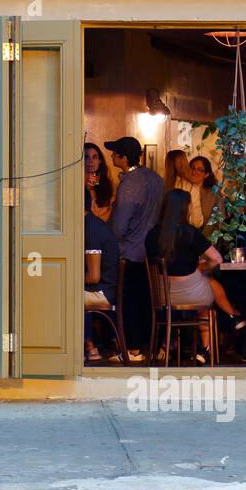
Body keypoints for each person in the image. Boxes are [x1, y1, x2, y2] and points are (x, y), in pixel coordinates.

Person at [145, 189, 246, 364]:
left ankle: (228, 322)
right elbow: (217, 259)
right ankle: (222, 329)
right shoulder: (190, 233)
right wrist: (202, 267)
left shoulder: (152, 234)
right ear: (185, 208)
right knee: (207, 290)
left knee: (203, 282)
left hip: (162, 295)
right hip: (191, 293)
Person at [105, 136, 164, 363]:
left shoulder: (129, 184)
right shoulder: (156, 179)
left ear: (123, 156)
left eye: (114, 153)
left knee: (128, 302)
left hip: (129, 252)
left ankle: (133, 350)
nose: (111, 156)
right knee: (147, 302)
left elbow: (119, 226)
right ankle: (151, 348)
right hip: (152, 252)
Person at [84, 180, 121, 364]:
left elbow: (93, 276)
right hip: (102, 287)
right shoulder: (92, 224)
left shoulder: (90, 229)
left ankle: (90, 348)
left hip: (102, 291)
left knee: (66, 296)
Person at [164, 150, 204, 228]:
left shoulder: (161, 185)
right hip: (183, 235)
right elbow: (197, 222)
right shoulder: (192, 188)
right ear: (185, 163)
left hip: (163, 234)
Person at [188, 156, 218, 229]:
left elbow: (218, 219)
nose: (194, 172)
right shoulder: (184, 188)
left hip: (206, 236)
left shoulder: (213, 193)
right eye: (192, 168)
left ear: (206, 174)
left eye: (199, 170)